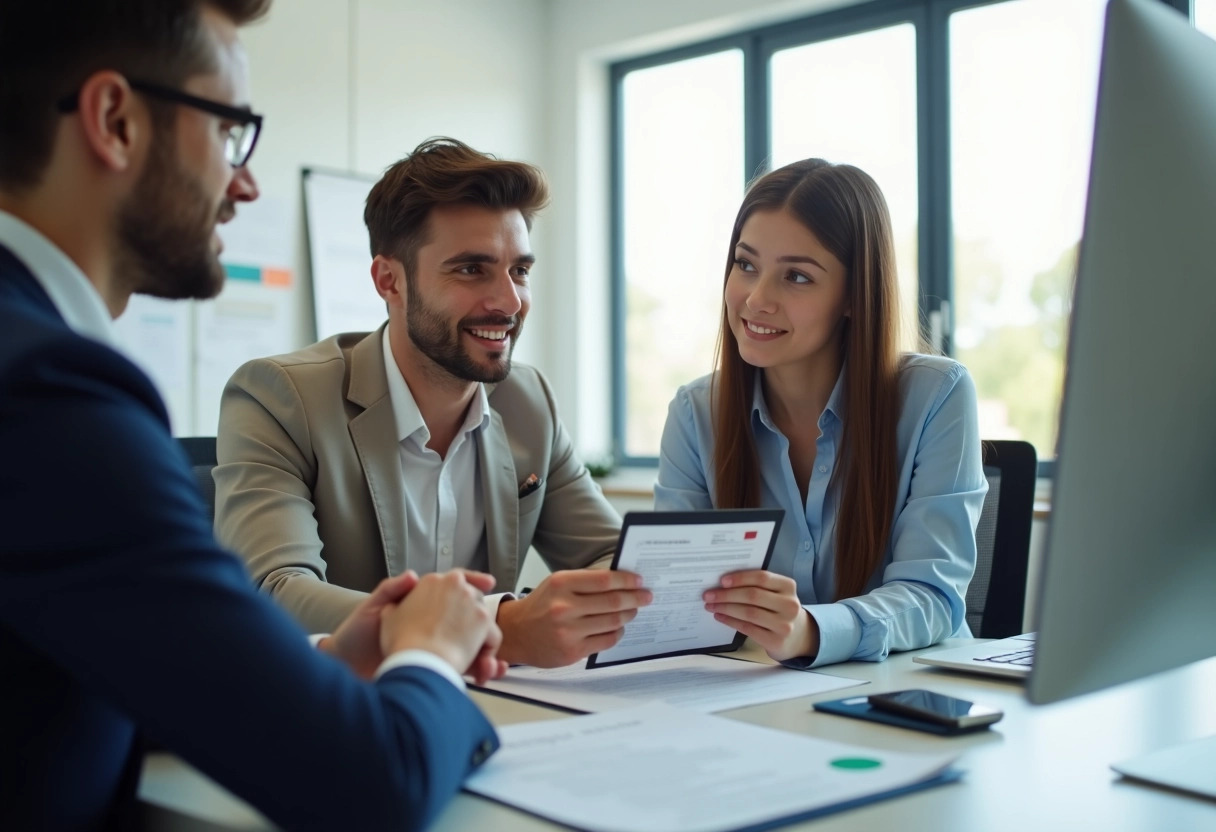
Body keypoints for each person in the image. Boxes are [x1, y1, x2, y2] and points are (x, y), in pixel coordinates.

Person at [0, 3, 508, 829]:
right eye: (232, 130)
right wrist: (435, 651)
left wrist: (321, 665)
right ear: (115, 121)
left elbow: (78, 661)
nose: (246, 183)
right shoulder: (53, 396)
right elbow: (372, 783)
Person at [214, 138, 651, 669]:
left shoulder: (529, 401)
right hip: (344, 714)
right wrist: (497, 628)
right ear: (389, 281)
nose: (509, 302)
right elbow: (275, 593)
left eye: (519, 271)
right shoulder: (279, 398)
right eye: (471, 270)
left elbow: (617, 563)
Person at [655, 159, 986, 668]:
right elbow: (676, 601)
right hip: (760, 697)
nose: (757, 298)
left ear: (854, 295)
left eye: (797, 277)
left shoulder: (936, 396)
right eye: (746, 265)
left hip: (909, 698)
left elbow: (933, 596)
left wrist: (811, 630)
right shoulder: (696, 413)